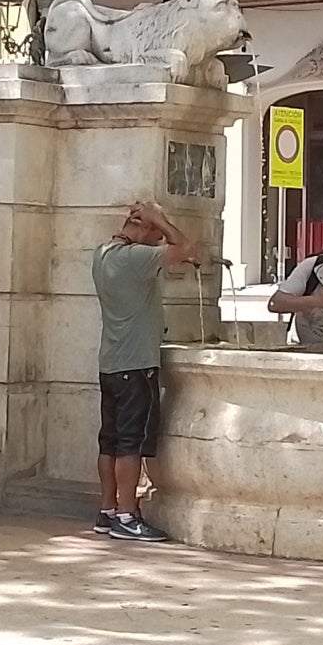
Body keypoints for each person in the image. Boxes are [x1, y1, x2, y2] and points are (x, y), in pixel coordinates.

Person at [91, 201, 195, 542]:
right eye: (155, 231)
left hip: (110, 364)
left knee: (110, 442)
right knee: (130, 444)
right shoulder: (136, 259)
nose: (158, 238)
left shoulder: (103, 253)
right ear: (146, 228)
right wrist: (161, 219)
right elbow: (186, 249)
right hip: (135, 366)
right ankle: (127, 514)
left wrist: (149, 220)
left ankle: (107, 510)